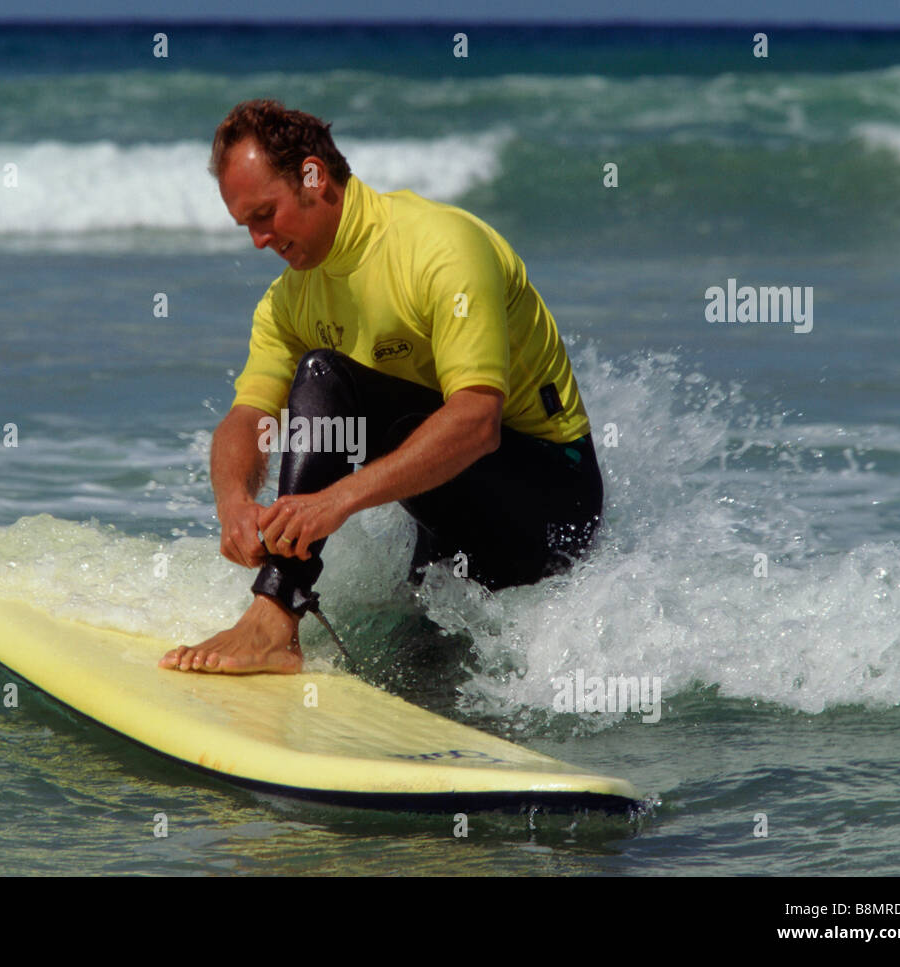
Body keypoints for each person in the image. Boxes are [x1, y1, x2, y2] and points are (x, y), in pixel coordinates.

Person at [160, 99, 602, 675]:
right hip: (452, 525)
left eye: (265, 214)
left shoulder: (440, 248)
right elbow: (247, 417)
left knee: (323, 372)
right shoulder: (287, 302)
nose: (258, 240)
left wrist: (337, 500)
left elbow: (476, 420)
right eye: (247, 225)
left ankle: (273, 618)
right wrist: (234, 503)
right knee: (416, 677)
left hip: (547, 508)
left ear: (315, 178)